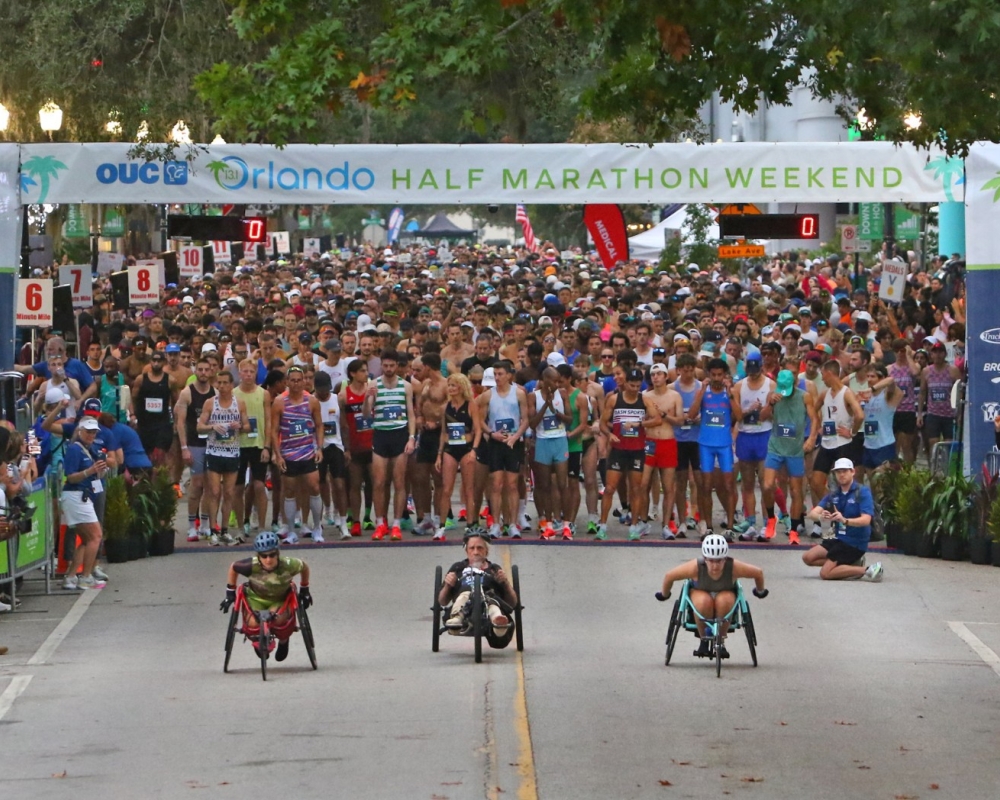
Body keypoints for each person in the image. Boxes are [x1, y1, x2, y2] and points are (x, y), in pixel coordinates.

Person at [655, 534, 767, 659]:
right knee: (704, 601)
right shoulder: (695, 567)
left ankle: (720, 640)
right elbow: (669, 576)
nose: (715, 565)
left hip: (725, 594)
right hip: (700, 593)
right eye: (711, 561)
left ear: (725, 559)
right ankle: (704, 639)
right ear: (704, 559)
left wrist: (760, 590)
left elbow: (758, 573)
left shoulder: (734, 567)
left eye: (719, 561)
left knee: (724, 600)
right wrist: (664, 594)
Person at [220, 531, 312, 663]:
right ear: (258, 556)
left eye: (272, 555)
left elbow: (304, 567)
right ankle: (257, 641)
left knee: (278, 621)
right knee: (253, 624)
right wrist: (230, 593)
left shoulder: (289, 564)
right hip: (255, 599)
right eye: (264, 556)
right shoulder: (250, 566)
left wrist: (305, 589)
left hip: (280, 600)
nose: (268, 559)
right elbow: (233, 568)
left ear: (278, 553)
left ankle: (283, 641)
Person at [802, 458, 883, 582]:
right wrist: (821, 517)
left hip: (854, 542)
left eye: (845, 471)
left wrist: (845, 520)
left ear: (853, 472)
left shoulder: (862, 492)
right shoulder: (834, 494)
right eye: (838, 471)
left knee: (825, 573)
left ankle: (867, 569)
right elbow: (812, 513)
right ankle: (849, 564)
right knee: (807, 558)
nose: (841, 474)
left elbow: (866, 520)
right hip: (837, 538)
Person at [365, 349, 417, 540]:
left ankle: (396, 524)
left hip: (399, 434)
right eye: (385, 366)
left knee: (399, 481)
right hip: (380, 434)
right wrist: (367, 397)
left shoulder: (406, 386)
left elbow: (411, 414)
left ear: (397, 366)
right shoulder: (374, 384)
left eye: (391, 366)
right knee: (379, 482)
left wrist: (411, 438)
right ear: (381, 366)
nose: (388, 369)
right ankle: (380, 523)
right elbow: (366, 414)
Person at [271, 366, 324, 544]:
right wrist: (277, 455)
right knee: (290, 491)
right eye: (292, 380)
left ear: (304, 381)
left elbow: (319, 425)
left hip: (308, 451)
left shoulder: (312, 401)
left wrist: (319, 448)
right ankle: (291, 531)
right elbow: (274, 430)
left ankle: (317, 528)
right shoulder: (279, 402)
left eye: (299, 380)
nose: (296, 384)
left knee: (314, 487)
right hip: (288, 453)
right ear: (287, 382)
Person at [198, 370, 249, 545]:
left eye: (225, 383)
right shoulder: (210, 403)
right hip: (214, 451)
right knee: (214, 492)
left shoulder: (239, 403)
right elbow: (199, 426)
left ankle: (225, 530)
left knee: (229, 493)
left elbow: (247, 426)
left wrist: (239, 426)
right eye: (218, 383)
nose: (221, 386)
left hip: (232, 452)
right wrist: (212, 426)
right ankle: (213, 530)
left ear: (231, 384)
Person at [597, 368, 649, 541]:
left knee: (636, 489)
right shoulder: (614, 399)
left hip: (637, 450)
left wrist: (640, 424)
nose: (635, 389)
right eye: (632, 385)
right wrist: (609, 434)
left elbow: (657, 419)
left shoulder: (644, 399)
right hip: (618, 450)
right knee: (610, 488)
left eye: (638, 386)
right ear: (625, 383)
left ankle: (634, 527)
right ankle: (602, 526)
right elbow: (603, 423)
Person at [60, 417, 110, 590]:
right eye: (88, 431)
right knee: (96, 536)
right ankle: (85, 577)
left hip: (82, 496)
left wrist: (100, 471)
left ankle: (71, 577)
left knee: (87, 539)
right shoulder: (75, 449)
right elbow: (71, 477)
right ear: (80, 431)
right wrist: (90, 471)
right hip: (77, 496)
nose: (91, 435)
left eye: (94, 432)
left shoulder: (91, 449)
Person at [439, 533, 518, 638]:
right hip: (465, 604)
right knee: (464, 596)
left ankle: (498, 622)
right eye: (472, 548)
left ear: (486, 551)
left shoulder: (493, 569)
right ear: (467, 551)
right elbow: (442, 601)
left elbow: (512, 603)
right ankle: (457, 618)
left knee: (492, 603)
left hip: (488, 601)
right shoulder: (458, 568)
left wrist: (505, 583)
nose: (476, 552)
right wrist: (448, 585)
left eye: (480, 548)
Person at [434, 374, 483, 541]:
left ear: (461, 387)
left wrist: (474, 450)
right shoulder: (445, 407)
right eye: (449, 385)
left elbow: (477, 430)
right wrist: (439, 454)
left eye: (454, 385)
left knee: (468, 489)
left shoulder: (471, 405)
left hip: (466, 448)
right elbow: (443, 432)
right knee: (446, 489)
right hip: (450, 448)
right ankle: (441, 526)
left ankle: (470, 525)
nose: (451, 388)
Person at [175, 358, 216, 541]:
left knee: (210, 486)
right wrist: (184, 448)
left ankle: (205, 524)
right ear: (195, 371)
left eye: (207, 369)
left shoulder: (215, 393)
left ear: (211, 371)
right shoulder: (187, 393)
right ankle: (192, 526)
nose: (203, 373)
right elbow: (180, 423)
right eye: (200, 369)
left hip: (212, 444)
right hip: (194, 444)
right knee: (196, 485)